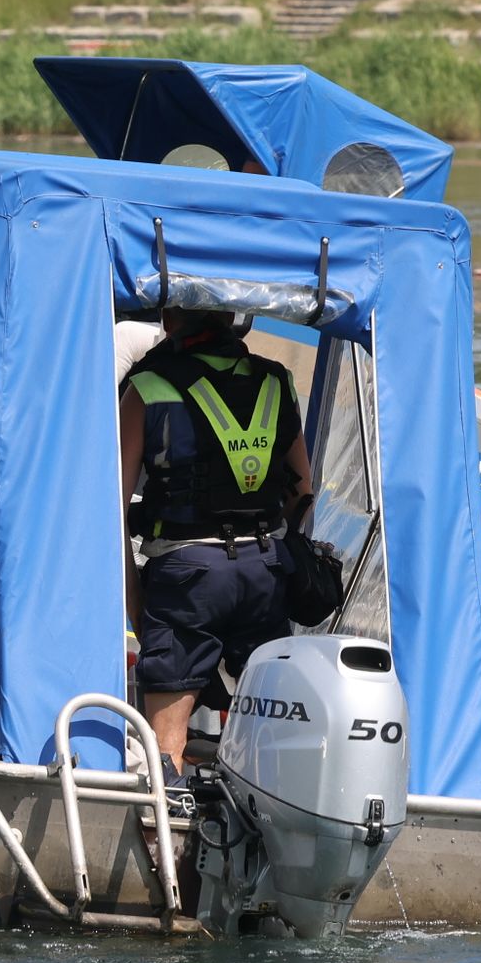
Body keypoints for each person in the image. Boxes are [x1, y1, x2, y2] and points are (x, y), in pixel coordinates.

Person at [117, 306, 316, 766]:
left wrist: (137, 610)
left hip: (187, 577)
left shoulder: (147, 387)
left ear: (169, 318)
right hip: (265, 571)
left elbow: (112, 507)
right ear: (234, 318)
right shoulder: (277, 381)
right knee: (265, 736)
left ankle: (166, 824)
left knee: (166, 745)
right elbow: (303, 492)